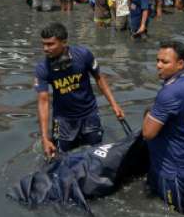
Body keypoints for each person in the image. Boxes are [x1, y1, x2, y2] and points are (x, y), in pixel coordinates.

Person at [34, 22, 125, 158]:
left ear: (64, 42)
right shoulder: (42, 68)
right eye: (44, 44)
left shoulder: (83, 55)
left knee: (97, 154)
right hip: (63, 120)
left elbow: (99, 78)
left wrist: (114, 105)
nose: (45, 49)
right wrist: (45, 138)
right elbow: (43, 102)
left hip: (90, 114)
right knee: (59, 158)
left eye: (50, 44)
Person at [142, 41, 184, 216]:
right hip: (178, 160)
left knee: (179, 214)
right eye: (157, 60)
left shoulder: (169, 94)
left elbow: (147, 133)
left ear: (180, 64)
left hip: (174, 171)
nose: (158, 65)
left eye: (165, 62)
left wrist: (149, 113)